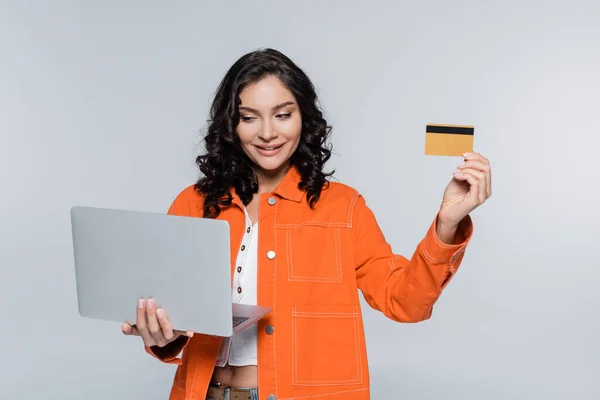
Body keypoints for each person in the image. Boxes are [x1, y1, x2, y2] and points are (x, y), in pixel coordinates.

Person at [121, 48, 492, 400]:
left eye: (283, 114)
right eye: (249, 117)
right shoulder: (194, 204)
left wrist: (446, 225)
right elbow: (174, 324)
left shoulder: (343, 207)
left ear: (304, 117)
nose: (268, 133)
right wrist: (158, 334)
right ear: (230, 124)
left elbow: (405, 302)